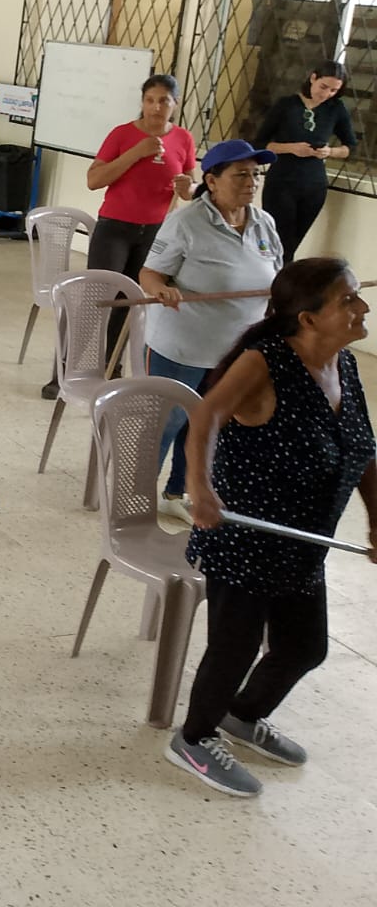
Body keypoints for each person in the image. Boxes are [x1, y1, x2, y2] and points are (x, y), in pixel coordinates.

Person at [168, 258, 374, 798]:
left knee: (304, 648)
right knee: (233, 650)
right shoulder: (265, 362)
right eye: (348, 299)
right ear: (308, 318)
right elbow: (206, 417)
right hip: (243, 537)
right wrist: (200, 487)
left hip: (302, 543)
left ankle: (242, 715)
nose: (363, 307)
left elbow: (363, 451)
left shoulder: (344, 366)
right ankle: (193, 738)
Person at [138, 140, 283, 519]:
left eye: (255, 174)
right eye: (241, 174)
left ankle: (178, 494)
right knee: (166, 423)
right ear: (212, 181)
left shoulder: (264, 223)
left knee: (207, 423)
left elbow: (278, 278)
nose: (251, 182)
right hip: (181, 347)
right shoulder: (186, 222)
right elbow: (149, 273)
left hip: (233, 353)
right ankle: (134, 498)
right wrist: (161, 290)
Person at [50, 73, 197, 398]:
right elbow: (94, 180)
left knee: (128, 303)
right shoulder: (123, 134)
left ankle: (110, 368)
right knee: (96, 301)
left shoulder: (183, 138)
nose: (156, 107)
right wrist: (136, 153)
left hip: (154, 232)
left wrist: (189, 187)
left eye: (164, 101)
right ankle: (63, 370)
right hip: (115, 227)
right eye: (150, 100)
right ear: (142, 102)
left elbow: (189, 187)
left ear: (175, 104)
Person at [254, 61, 355, 262]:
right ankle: (271, 276)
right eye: (323, 87)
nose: (326, 94)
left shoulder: (336, 109)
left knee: (293, 243)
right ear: (313, 78)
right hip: (282, 181)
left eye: (333, 90)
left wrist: (329, 151)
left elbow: (349, 147)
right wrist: (291, 148)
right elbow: (259, 143)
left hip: (314, 184)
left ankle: (285, 277)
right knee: (278, 241)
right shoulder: (286, 105)